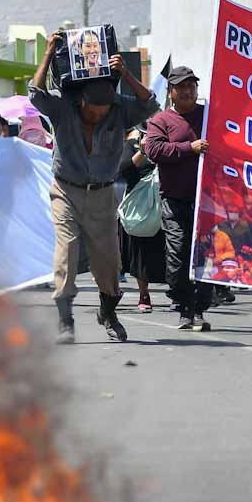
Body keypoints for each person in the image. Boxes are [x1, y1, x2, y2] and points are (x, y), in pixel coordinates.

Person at [31, 37, 157, 342]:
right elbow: (35, 93)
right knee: (66, 252)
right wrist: (48, 53)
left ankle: (108, 313)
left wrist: (126, 74)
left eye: (104, 111)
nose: (99, 116)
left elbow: (151, 104)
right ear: (81, 102)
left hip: (102, 194)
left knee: (108, 260)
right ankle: (65, 320)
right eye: (93, 112)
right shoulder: (63, 107)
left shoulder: (120, 109)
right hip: (66, 191)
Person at [143, 65, 215, 331]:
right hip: (175, 200)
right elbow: (153, 150)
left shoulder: (210, 115)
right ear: (171, 92)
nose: (187, 91)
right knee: (178, 254)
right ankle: (183, 304)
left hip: (207, 201)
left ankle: (199, 308)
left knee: (205, 257)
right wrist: (189, 148)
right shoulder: (161, 120)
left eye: (191, 86)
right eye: (181, 87)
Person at [118, 128, 166, 314]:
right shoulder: (133, 145)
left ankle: (178, 294)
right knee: (141, 252)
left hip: (167, 201)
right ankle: (144, 295)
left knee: (172, 249)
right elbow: (124, 170)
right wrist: (143, 151)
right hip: (141, 207)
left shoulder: (170, 142)